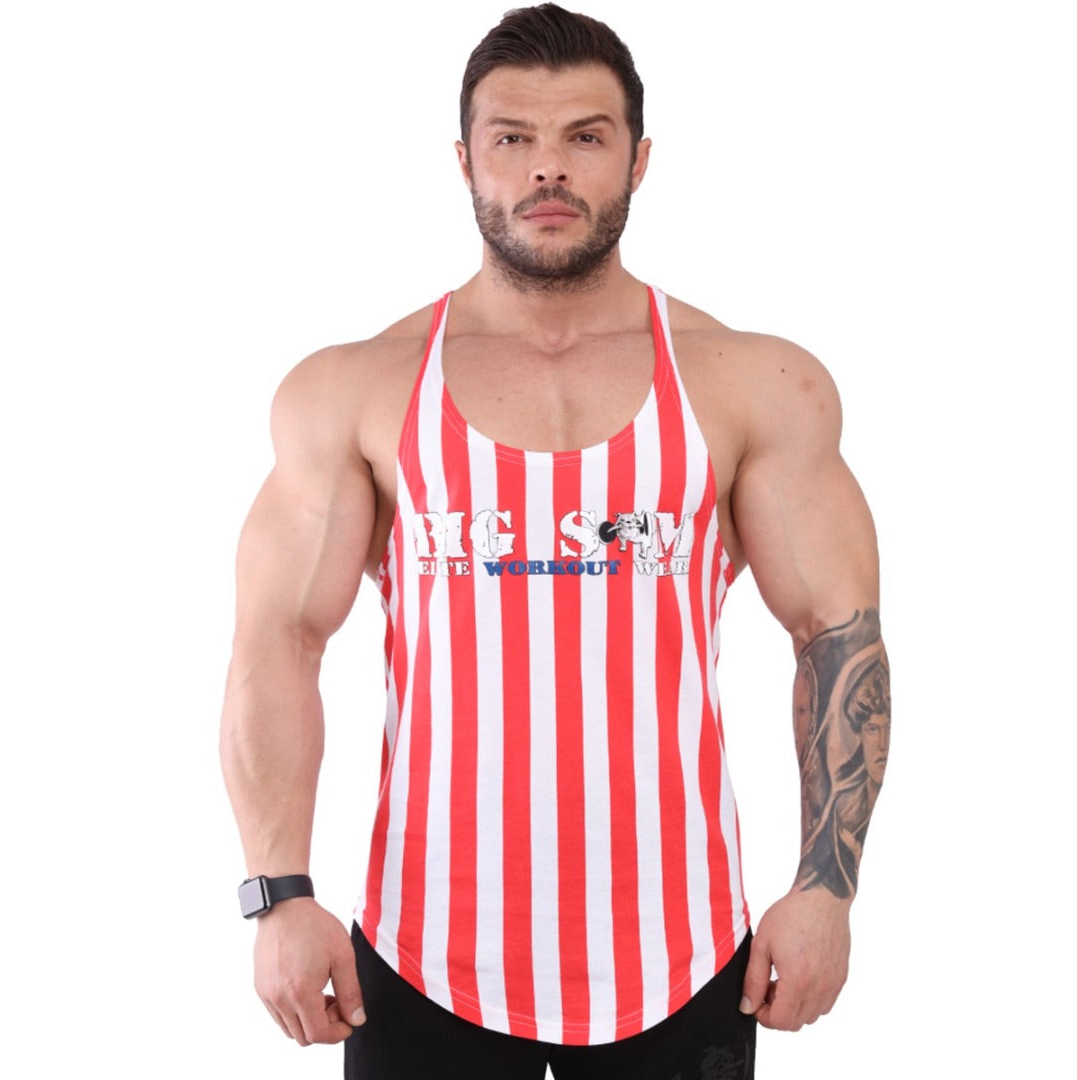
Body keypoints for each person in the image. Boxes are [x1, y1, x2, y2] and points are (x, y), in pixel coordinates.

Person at [220, 5, 890, 1078]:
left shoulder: (752, 384)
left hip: (680, 955)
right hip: (422, 958)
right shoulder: (357, 390)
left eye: (585, 136)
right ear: (465, 160)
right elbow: (277, 641)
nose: (548, 168)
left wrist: (827, 891)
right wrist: (279, 893)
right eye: (513, 138)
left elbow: (836, 635)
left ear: (639, 158)